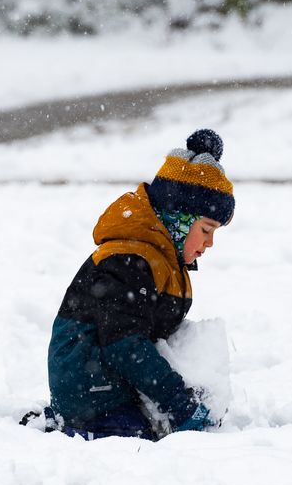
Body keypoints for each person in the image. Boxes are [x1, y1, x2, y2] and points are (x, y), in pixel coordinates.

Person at [41, 128, 235, 440]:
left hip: (111, 385)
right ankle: (73, 425)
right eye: (206, 229)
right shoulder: (130, 260)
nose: (209, 243)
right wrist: (178, 403)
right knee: (147, 446)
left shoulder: (160, 258)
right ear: (179, 218)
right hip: (91, 393)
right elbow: (124, 344)